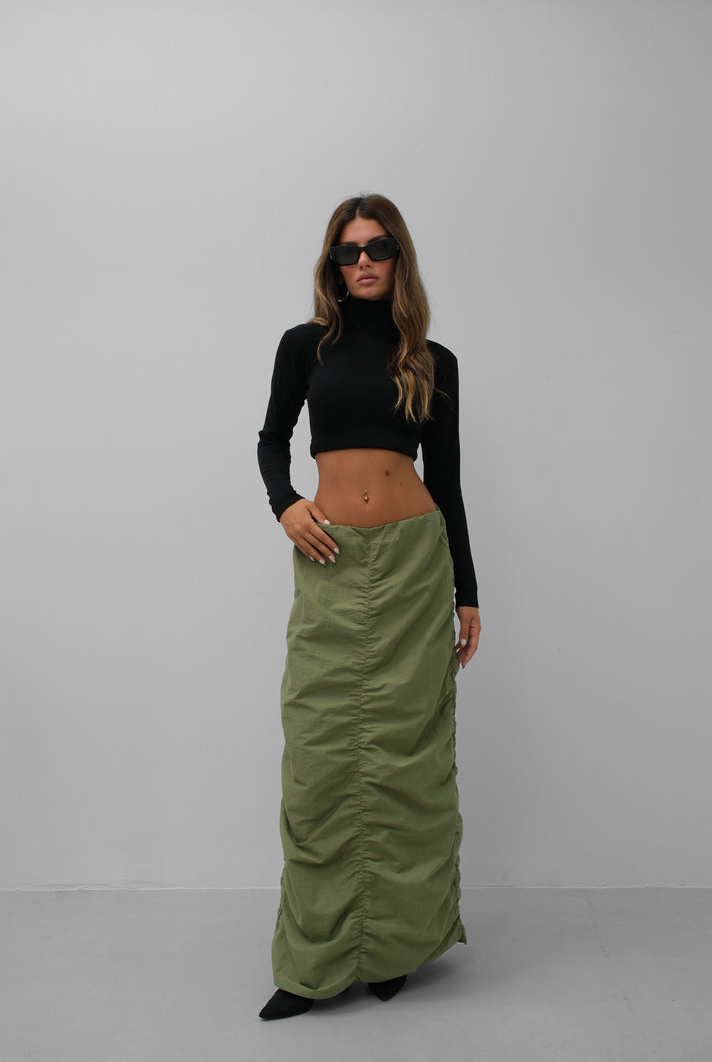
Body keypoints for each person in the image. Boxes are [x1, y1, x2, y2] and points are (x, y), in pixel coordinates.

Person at [256, 193, 480, 1020]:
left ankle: (394, 948)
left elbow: (448, 480)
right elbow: (270, 439)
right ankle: (312, 961)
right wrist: (286, 505)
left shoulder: (433, 359)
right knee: (320, 753)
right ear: (332, 262)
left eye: (378, 247)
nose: (362, 262)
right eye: (347, 251)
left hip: (417, 562)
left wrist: (467, 592)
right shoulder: (305, 345)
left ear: (399, 256)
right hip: (333, 557)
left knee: (408, 760)